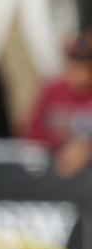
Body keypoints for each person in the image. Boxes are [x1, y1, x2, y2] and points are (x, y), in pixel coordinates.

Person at [24, 32, 92, 178]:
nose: (81, 75)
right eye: (75, 66)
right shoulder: (52, 90)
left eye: (86, 68)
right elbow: (30, 132)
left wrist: (86, 148)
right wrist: (58, 148)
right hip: (52, 179)